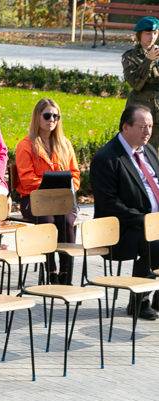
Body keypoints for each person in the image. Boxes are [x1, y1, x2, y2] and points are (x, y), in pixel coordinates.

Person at [91, 104, 159, 320]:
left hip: (152, 223)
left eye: (150, 126)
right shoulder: (107, 158)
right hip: (120, 229)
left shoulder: (148, 151)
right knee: (154, 240)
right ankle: (139, 301)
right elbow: (108, 204)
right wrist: (146, 221)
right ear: (125, 127)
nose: (147, 132)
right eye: (142, 127)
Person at [15, 98, 80, 285]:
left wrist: (69, 188)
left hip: (62, 199)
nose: (52, 120)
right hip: (35, 199)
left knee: (67, 221)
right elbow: (27, 179)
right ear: (37, 117)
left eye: (56, 116)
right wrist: (49, 187)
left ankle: (66, 274)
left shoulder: (65, 144)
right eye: (47, 115)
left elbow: (74, 174)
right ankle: (51, 271)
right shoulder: (25, 145)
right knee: (48, 222)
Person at [122, 17, 159, 149]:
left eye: (155, 33)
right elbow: (136, 84)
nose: (152, 37)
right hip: (141, 111)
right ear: (139, 35)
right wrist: (148, 60)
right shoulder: (130, 56)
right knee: (138, 148)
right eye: (148, 33)